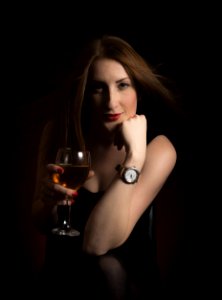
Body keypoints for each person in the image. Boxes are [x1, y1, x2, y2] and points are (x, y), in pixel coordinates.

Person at [32, 35, 178, 299]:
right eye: (98, 88)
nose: (111, 102)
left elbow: (96, 243)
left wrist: (134, 159)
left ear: (139, 90)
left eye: (123, 85)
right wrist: (50, 203)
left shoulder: (159, 149)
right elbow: (41, 222)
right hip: (62, 286)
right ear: (85, 93)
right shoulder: (57, 135)